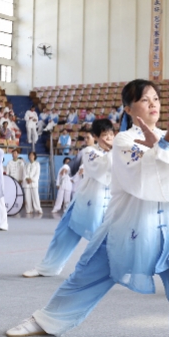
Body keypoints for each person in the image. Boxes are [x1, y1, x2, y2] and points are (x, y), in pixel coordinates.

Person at [6, 79, 169, 337]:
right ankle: (45, 319)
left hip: (166, 230)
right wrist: (163, 147)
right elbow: (141, 178)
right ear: (128, 107)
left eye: (156, 99)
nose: (153, 104)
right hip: (125, 225)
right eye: (145, 99)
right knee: (86, 274)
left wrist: (167, 143)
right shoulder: (124, 140)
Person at [23, 119, 115, 278]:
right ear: (96, 137)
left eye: (111, 135)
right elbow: (101, 170)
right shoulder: (89, 152)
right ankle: (47, 267)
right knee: (63, 234)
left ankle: (114, 271)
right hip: (84, 202)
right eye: (105, 135)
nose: (109, 139)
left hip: (106, 206)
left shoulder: (119, 153)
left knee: (108, 241)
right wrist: (115, 152)